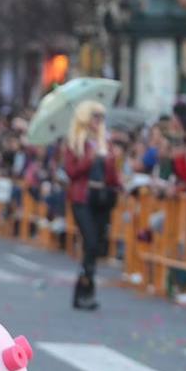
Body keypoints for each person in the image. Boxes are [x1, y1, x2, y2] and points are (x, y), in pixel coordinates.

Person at [63, 100, 120, 311]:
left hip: (102, 199)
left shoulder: (106, 142)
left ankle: (84, 290)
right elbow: (71, 172)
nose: (99, 121)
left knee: (94, 247)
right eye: (95, 116)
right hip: (82, 199)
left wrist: (119, 182)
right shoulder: (74, 141)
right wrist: (89, 158)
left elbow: (112, 174)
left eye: (101, 117)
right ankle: (86, 288)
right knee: (91, 241)